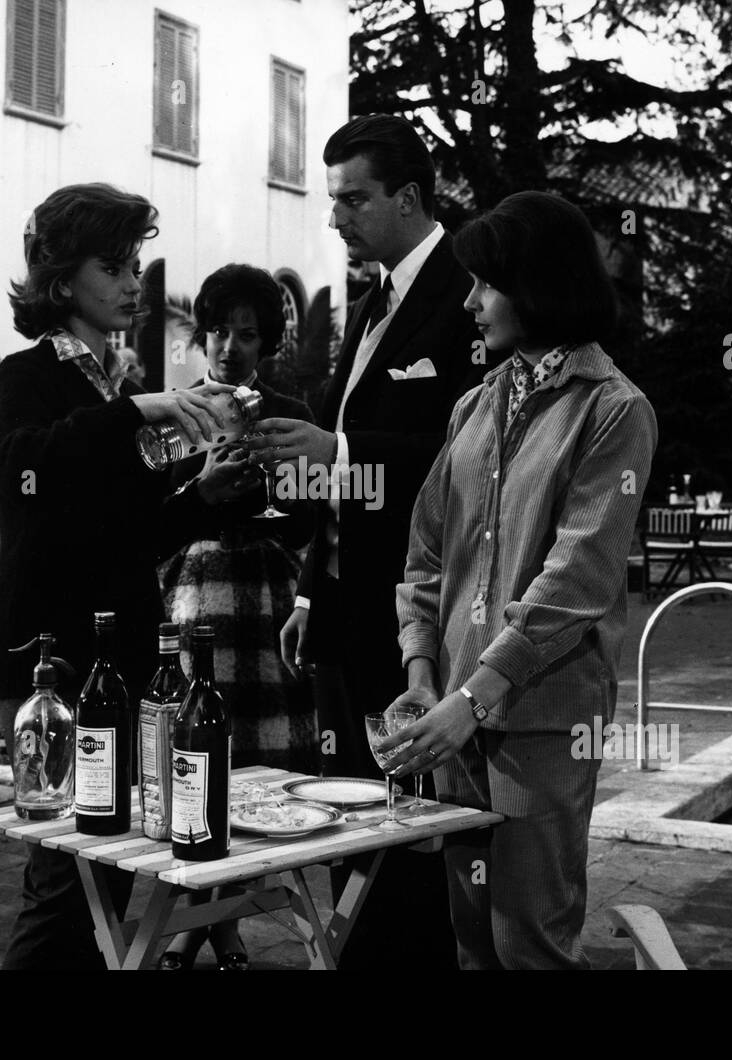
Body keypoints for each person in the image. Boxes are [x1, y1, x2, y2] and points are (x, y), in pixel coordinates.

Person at [246, 114, 501, 969]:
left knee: (415, 815)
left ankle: (412, 957)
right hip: (349, 608)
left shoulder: (471, 298)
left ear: (410, 197)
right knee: (356, 806)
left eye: (353, 200)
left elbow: (476, 454)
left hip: (422, 614)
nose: (335, 218)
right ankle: (363, 951)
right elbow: (337, 454)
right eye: (332, 201)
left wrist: (342, 453)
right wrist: (313, 589)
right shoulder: (372, 303)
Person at [378, 190, 657, 969]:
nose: (469, 302)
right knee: (470, 940)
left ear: (537, 284)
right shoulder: (473, 405)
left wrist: (473, 699)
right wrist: (423, 676)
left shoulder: (614, 410)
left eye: (485, 284)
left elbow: (579, 579)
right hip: (453, 721)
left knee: (527, 941)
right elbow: (427, 553)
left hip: (541, 721)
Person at [0, 183, 258, 970]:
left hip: (122, 655)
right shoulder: (26, 377)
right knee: (65, 877)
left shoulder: (115, 384)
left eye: (135, 262)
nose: (132, 280)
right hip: (51, 658)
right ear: (62, 280)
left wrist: (201, 496)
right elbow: (29, 474)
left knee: (103, 879)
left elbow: (129, 533)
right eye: (113, 265)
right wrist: (146, 409)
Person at [156, 263, 316, 971]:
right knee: (200, 759)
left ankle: (206, 928)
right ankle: (216, 931)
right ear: (202, 336)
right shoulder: (172, 411)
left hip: (269, 600)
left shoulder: (289, 409)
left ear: (267, 342)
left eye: (246, 335)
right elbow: (150, 516)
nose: (229, 347)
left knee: (262, 768)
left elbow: (316, 516)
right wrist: (202, 485)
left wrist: (278, 473)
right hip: (197, 596)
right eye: (218, 331)